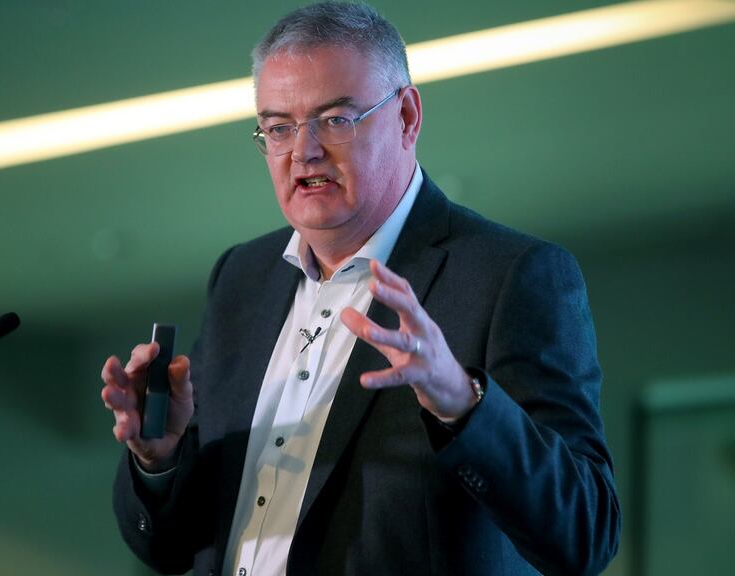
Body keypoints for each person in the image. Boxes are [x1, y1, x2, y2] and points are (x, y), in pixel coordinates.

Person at [100, 2, 620, 575]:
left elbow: (586, 535)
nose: (304, 150)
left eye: (335, 119)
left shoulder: (511, 274)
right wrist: (159, 457)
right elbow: (168, 547)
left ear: (406, 116)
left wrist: (463, 403)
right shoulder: (241, 280)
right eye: (278, 127)